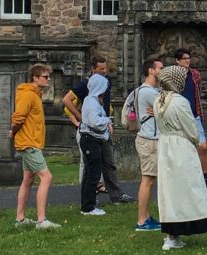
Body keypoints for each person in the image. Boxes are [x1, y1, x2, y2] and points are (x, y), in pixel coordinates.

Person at [154, 64, 207, 250]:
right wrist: (194, 141)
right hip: (181, 146)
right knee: (194, 187)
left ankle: (171, 236)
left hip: (165, 146)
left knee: (172, 190)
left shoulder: (158, 100)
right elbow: (192, 130)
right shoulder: (180, 101)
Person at [63, 56, 133, 204]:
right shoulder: (87, 84)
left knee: (109, 162)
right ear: (93, 69)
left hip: (103, 128)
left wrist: (108, 121)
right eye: (101, 69)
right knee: (89, 165)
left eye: (105, 68)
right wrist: (79, 117)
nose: (104, 71)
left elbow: (105, 105)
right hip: (90, 131)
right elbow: (66, 100)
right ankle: (89, 198)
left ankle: (116, 195)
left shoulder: (106, 82)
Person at [10, 64, 59, 230]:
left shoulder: (35, 94)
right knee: (46, 177)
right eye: (45, 77)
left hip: (32, 142)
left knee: (28, 179)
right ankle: (41, 220)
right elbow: (18, 117)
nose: (48, 79)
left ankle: (20, 219)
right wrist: (13, 132)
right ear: (35, 78)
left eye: (48, 76)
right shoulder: (28, 95)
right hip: (29, 143)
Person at [174, 49, 207, 190]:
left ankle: (205, 177)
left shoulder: (194, 74)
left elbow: (197, 92)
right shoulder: (173, 75)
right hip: (179, 117)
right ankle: (183, 180)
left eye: (188, 58)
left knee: (203, 146)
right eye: (184, 58)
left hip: (194, 115)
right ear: (177, 60)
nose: (187, 60)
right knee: (183, 149)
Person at [134, 58, 164, 231]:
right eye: (160, 68)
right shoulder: (147, 92)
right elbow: (169, 106)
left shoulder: (152, 91)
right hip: (149, 140)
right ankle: (142, 221)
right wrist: (162, 108)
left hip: (151, 139)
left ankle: (145, 216)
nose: (162, 71)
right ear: (151, 71)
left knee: (150, 179)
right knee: (148, 179)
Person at [78, 74, 113, 216]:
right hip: (90, 140)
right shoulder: (92, 103)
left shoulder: (92, 101)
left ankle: (87, 205)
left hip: (92, 139)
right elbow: (94, 122)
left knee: (90, 173)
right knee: (93, 174)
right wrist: (107, 120)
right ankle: (88, 207)